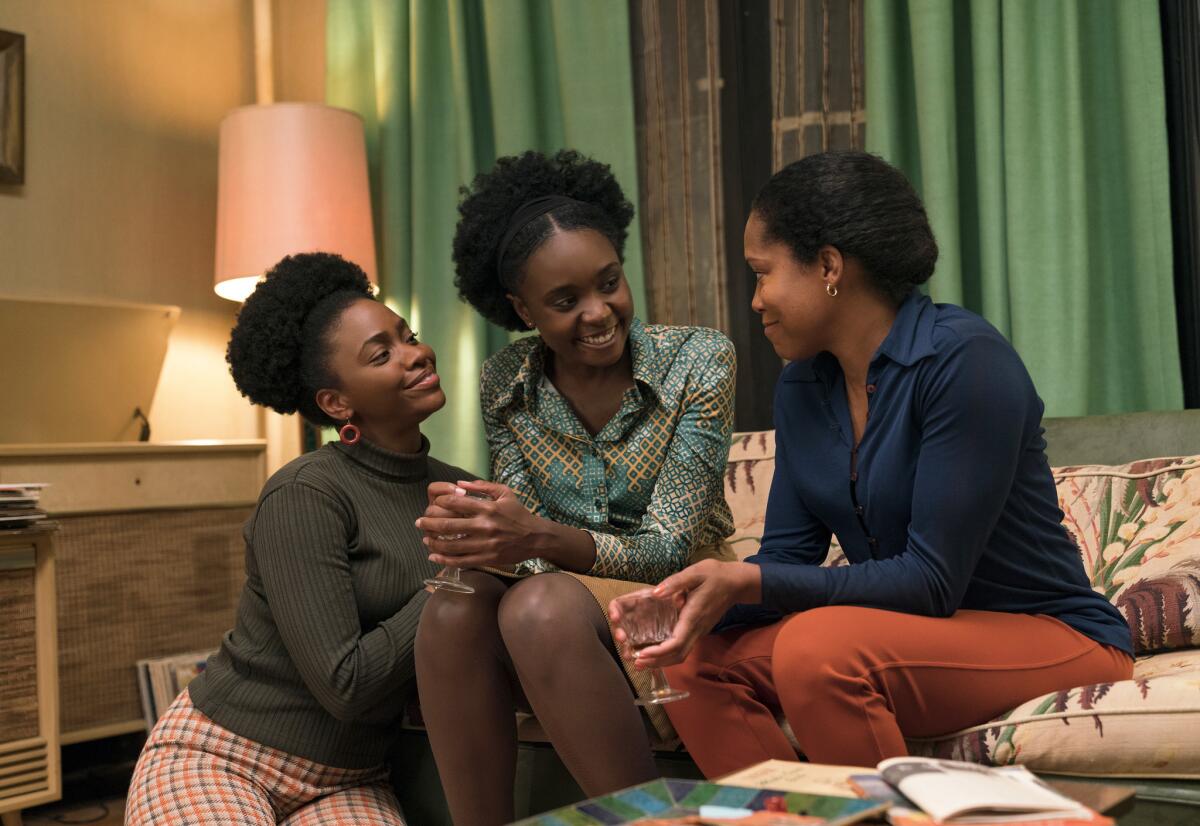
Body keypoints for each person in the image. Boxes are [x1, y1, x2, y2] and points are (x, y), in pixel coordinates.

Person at [612, 151, 1134, 777]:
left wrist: (747, 583)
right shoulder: (803, 387)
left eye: (763, 273)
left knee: (817, 648)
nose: (755, 301)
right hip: (909, 634)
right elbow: (785, 560)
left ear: (829, 266)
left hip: (1048, 633)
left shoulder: (965, 361)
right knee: (686, 659)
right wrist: (686, 602)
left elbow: (930, 582)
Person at [413, 149, 736, 826]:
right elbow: (520, 527)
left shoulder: (698, 360)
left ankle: (653, 822)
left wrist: (533, 537)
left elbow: (669, 547)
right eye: (565, 301)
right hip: (557, 586)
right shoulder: (506, 380)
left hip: (682, 590)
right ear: (520, 307)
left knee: (540, 608)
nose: (598, 313)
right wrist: (478, 535)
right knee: (451, 602)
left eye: (609, 282)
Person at [125, 253, 468, 825]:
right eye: (382, 354)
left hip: (350, 779)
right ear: (337, 403)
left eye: (408, 337)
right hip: (223, 755)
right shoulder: (307, 493)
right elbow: (346, 685)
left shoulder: (459, 492)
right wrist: (456, 575)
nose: (416, 355)